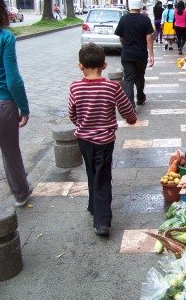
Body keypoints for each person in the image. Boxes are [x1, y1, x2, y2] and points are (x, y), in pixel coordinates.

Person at [68, 43, 137, 236]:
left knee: (91, 171)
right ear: (104, 66)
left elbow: (72, 114)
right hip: (105, 141)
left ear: (80, 65)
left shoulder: (75, 87)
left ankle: (93, 206)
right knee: (103, 175)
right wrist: (131, 120)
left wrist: (81, 123)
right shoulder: (112, 86)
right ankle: (102, 221)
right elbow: (127, 110)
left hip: (84, 140)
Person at [0, 0, 31, 206]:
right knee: (10, 152)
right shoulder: (4, 38)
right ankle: (20, 194)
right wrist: (23, 107)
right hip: (1, 105)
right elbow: (12, 79)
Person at [115, 0, 154, 108]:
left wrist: (126, 46)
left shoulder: (124, 19)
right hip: (141, 55)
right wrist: (151, 54)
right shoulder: (145, 19)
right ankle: (140, 97)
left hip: (127, 55)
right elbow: (149, 37)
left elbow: (121, 37)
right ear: (140, 6)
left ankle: (130, 104)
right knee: (140, 76)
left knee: (128, 78)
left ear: (130, 6)